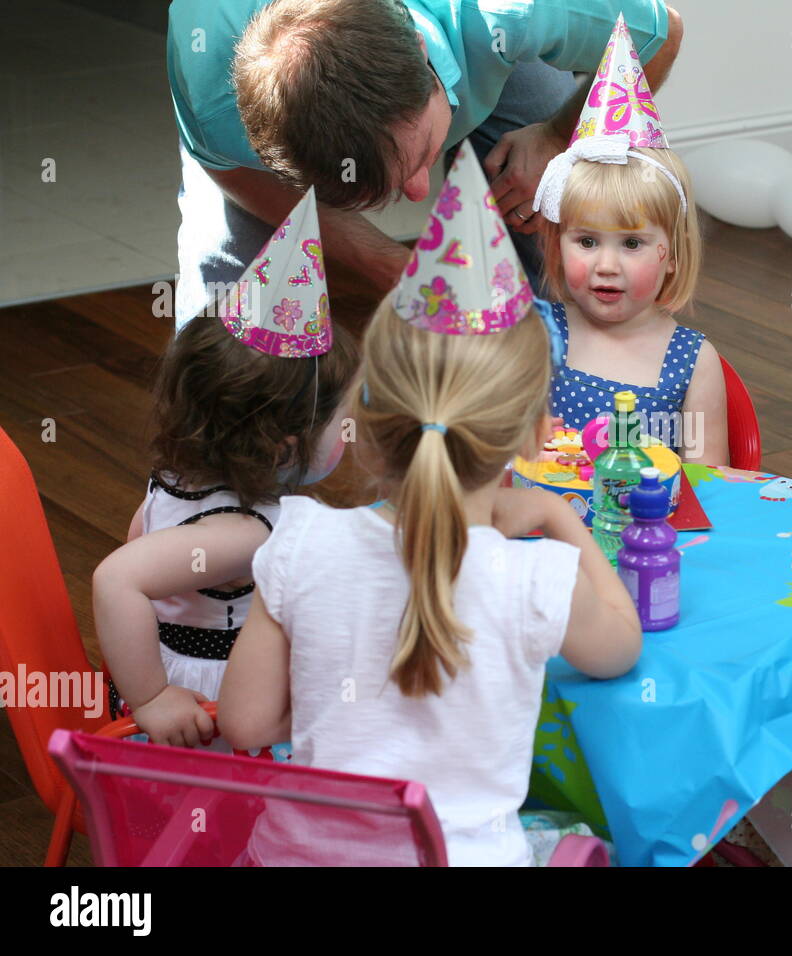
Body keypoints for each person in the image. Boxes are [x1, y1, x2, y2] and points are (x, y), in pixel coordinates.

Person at [219, 146, 641, 866]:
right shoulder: (534, 579)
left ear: (366, 428)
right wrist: (561, 520)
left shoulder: (300, 541)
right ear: (536, 434)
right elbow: (620, 649)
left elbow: (244, 721)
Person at [167, 0, 682, 323]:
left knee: (564, 199)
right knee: (230, 313)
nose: (422, 193)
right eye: (392, 184)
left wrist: (557, 136)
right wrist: (389, 262)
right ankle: (205, 490)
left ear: (420, 50)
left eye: (419, 158)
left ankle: (563, 420)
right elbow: (232, 172)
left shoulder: (511, 11)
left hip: (480, 38)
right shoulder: (216, 86)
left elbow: (661, 36)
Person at [94, 191, 357, 747]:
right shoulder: (242, 531)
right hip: (210, 711)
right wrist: (152, 698)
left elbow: (141, 537)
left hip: (192, 676)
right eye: (344, 420)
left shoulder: (176, 476)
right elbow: (117, 576)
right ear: (286, 447)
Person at [531, 15, 727, 463]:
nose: (606, 264)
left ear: (672, 255)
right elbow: (488, 452)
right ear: (557, 242)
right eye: (586, 241)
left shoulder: (692, 362)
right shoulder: (536, 338)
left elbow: (711, 483)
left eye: (632, 244)